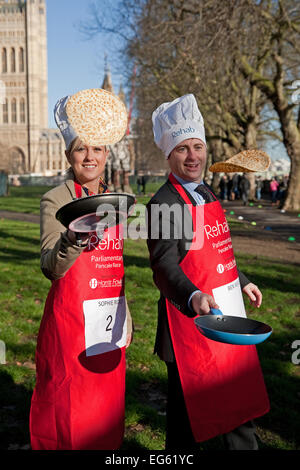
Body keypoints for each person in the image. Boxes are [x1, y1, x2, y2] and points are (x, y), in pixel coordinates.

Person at [146, 94, 270, 450]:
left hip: (226, 316)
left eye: (197, 147)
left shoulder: (208, 193)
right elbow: (163, 267)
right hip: (188, 326)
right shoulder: (163, 204)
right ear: (169, 156)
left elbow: (219, 252)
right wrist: (193, 295)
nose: (192, 156)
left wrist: (243, 281)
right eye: (182, 149)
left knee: (237, 407)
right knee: (188, 427)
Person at [29, 90, 133, 450]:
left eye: (97, 148)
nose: (90, 156)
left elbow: (114, 265)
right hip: (70, 323)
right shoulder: (55, 199)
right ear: (69, 155)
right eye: (81, 149)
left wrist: (126, 313)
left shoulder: (117, 198)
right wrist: (73, 238)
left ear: (106, 154)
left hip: (107, 322)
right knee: (69, 407)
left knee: (104, 410)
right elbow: (50, 267)